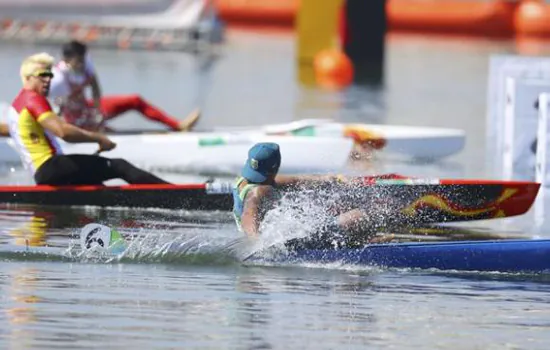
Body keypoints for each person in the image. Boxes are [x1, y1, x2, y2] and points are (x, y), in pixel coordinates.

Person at [8, 52, 170, 186]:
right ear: (27, 78)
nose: (48, 79)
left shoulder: (16, 106)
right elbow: (63, 132)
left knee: (97, 184)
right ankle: (177, 194)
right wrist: (99, 138)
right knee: (119, 166)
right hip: (51, 168)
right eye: (42, 75)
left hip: (44, 174)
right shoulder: (34, 99)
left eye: (50, 75)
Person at [48, 40, 200, 132]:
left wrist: (96, 110)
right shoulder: (58, 78)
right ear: (66, 59)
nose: (81, 64)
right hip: (71, 117)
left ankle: (178, 126)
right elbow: (55, 108)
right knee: (103, 131)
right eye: (78, 61)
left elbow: (95, 86)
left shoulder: (86, 62)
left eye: (82, 59)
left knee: (135, 100)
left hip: (87, 109)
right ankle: (104, 133)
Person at [232, 142, 370, 239]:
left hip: (285, 235)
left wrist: (333, 178)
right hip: (287, 243)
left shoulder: (242, 181)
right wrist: (255, 242)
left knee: (338, 208)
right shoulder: (258, 191)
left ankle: (368, 239)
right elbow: (249, 214)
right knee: (358, 216)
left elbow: (296, 180)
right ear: (275, 167)